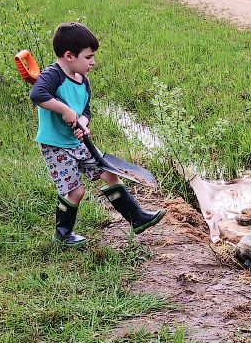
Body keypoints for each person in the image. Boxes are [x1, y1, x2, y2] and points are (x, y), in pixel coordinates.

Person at [30, 23, 164, 246]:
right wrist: (64, 110)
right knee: (76, 192)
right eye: (89, 57)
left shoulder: (84, 81)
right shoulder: (52, 75)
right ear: (69, 56)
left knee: (109, 174)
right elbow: (37, 94)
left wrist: (82, 121)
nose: (93, 62)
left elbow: (85, 109)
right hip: (56, 145)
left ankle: (137, 219)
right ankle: (62, 234)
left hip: (78, 141)